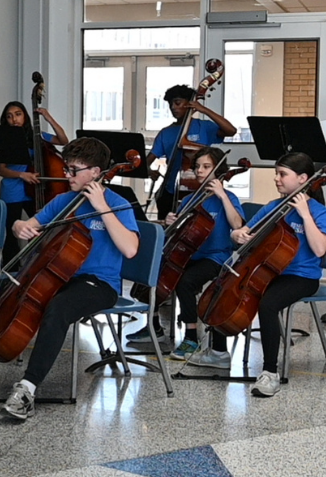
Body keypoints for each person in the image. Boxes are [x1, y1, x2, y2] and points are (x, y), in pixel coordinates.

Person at [0, 137, 139, 421]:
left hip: (97, 283)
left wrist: (101, 208)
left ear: (96, 172)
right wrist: (19, 226)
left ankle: (27, 388)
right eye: (66, 168)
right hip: (54, 276)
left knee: (59, 308)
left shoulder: (118, 204)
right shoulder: (64, 201)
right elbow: (26, 226)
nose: (67, 175)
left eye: (74, 169)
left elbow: (130, 248)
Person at [126, 147, 245, 364]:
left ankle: (191, 337)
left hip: (216, 257)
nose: (199, 171)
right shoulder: (191, 198)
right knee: (155, 270)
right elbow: (183, 231)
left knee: (185, 282)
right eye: (198, 166)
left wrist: (221, 195)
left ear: (218, 171)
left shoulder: (228, 198)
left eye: (206, 167)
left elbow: (238, 224)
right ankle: (153, 328)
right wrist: (172, 220)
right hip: (189, 254)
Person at [229, 152, 326, 398]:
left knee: (268, 304)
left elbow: (320, 249)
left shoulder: (318, 211)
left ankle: (270, 373)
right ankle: (218, 350)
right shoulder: (274, 207)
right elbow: (243, 230)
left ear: (303, 178)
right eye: (276, 173)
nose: (276, 179)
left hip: (302, 277)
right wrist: (238, 235)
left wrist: (305, 215)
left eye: (283, 174)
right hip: (270, 272)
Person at [147, 85, 236, 220]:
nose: (173, 107)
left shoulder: (203, 127)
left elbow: (231, 131)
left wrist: (204, 110)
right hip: (170, 189)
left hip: (200, 188)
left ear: (189, 104)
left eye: (177, 103)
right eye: (170, 104)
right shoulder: (165, 133)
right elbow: (147, 160)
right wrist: (148, 170)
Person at [0, 101, 68, 265]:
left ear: (25, 116)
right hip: (12, 190)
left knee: (40, 225)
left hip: (35, 189)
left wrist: (48, 117)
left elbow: (63, 140)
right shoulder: (4, 138)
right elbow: (1, 170)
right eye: (9, 116)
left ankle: (34, 263)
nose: (14, 119)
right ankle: (11, 269)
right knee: (10, 231)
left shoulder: (37, 136)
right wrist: (22, 175)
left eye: (18, 114)